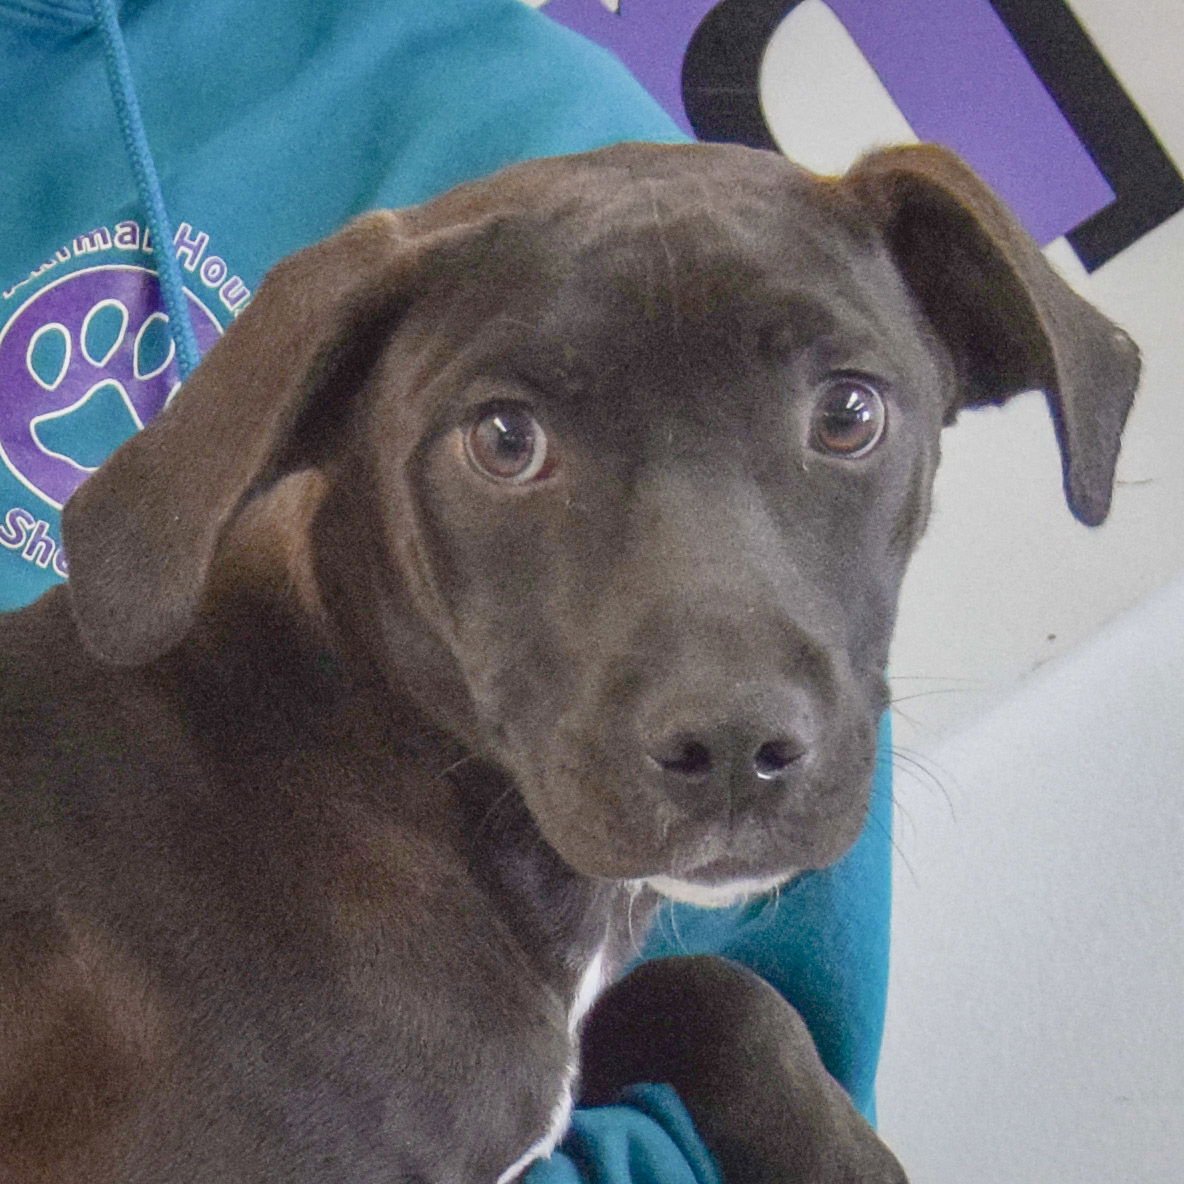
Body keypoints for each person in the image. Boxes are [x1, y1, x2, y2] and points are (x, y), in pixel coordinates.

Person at [0, 1, 893, 1177]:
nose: (728, 702)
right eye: (509, 439)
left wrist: (722, 1045)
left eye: (843, 419)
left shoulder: (509, 122)